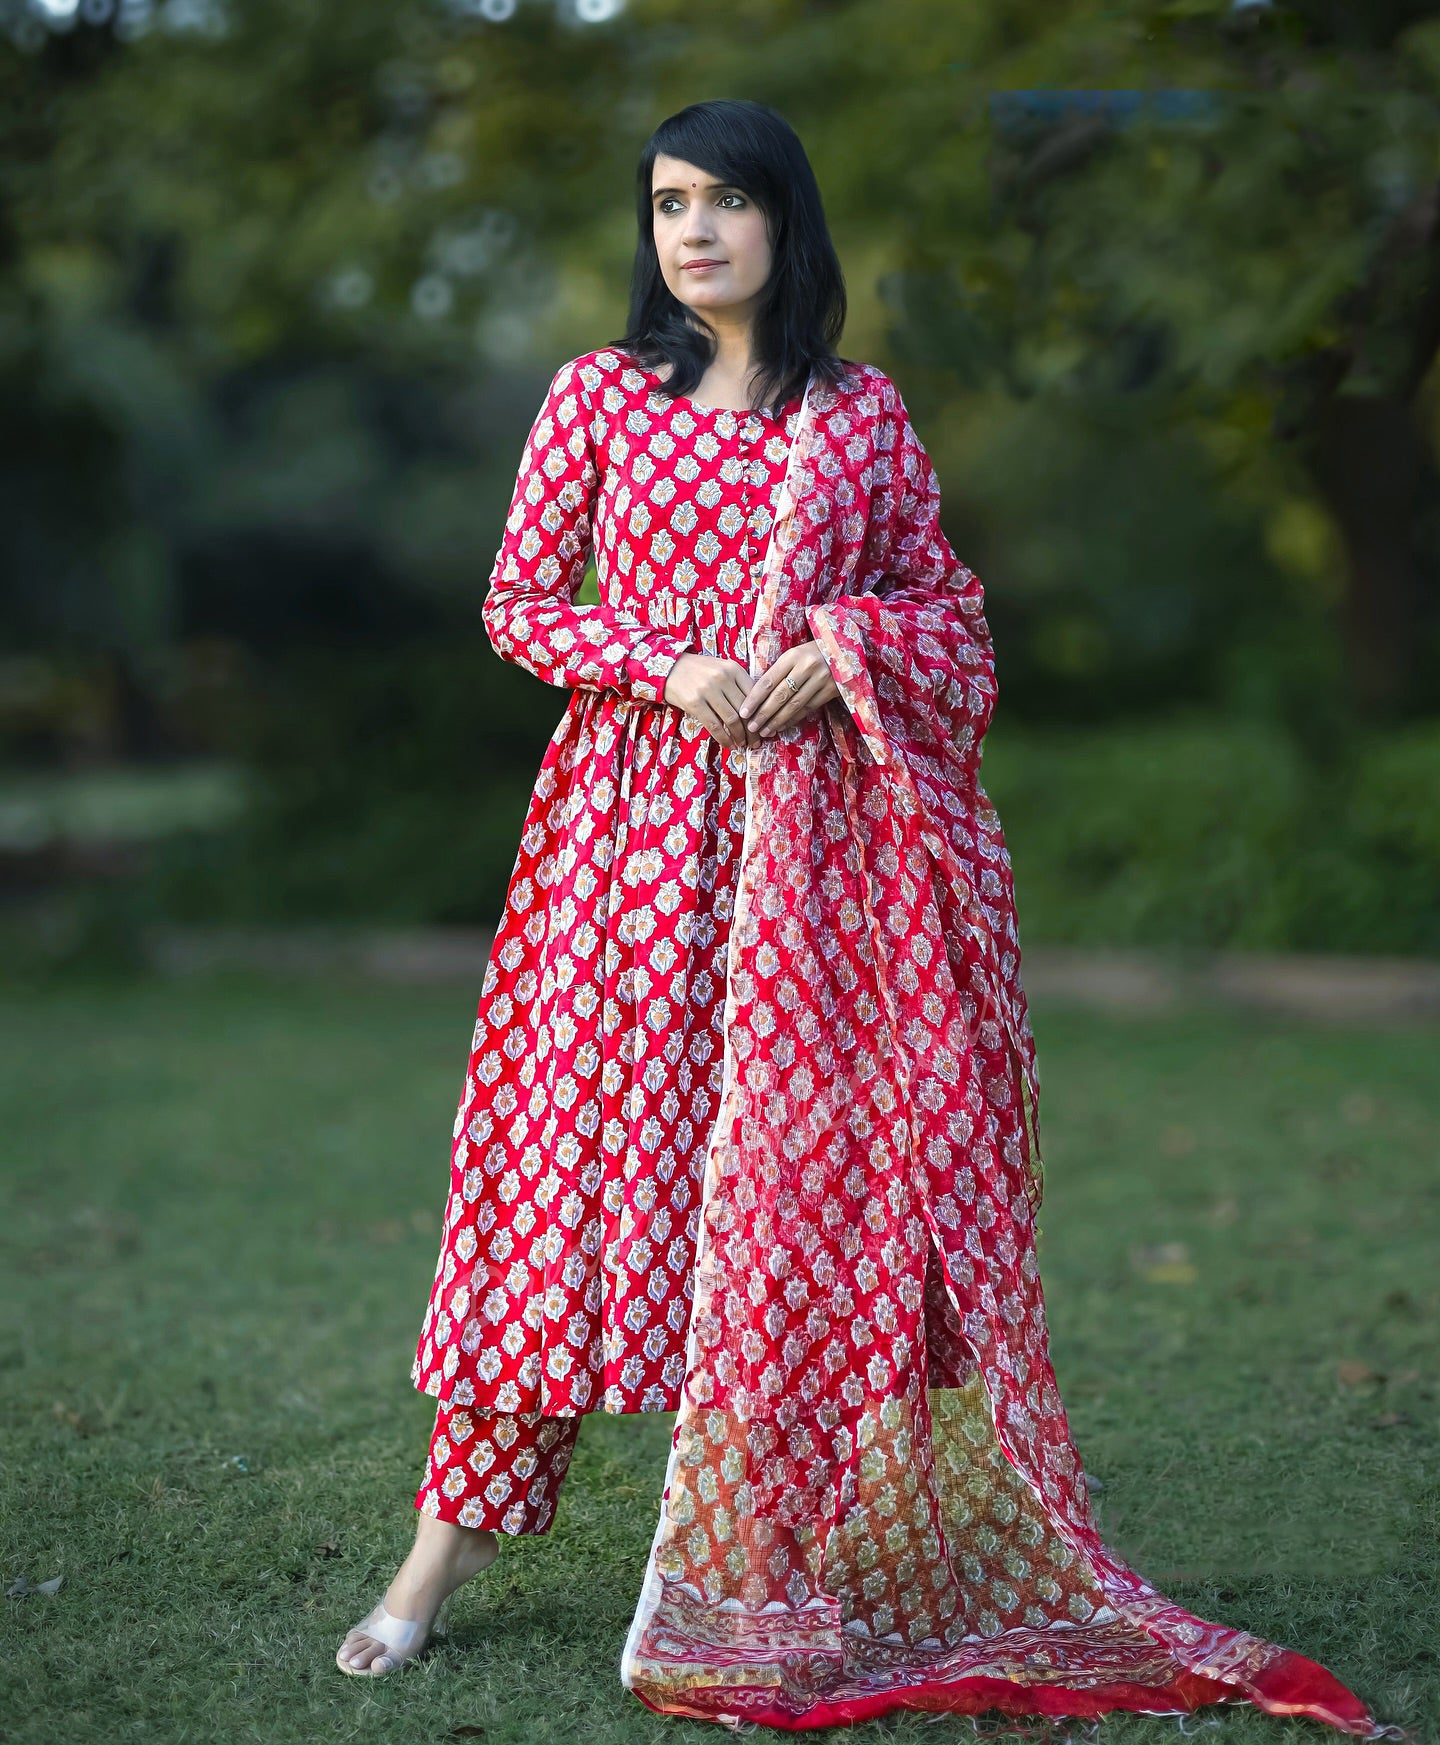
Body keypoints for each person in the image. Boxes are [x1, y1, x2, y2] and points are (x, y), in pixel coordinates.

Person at [335, 99, 1395, 1742]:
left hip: (814, 893)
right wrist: (673, 665)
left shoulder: (866, 417)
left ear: (787, 223)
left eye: (729, 201)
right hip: (616, 865)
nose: (693, 231)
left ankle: (764, 1575)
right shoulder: (600, 399)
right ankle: (427, 1565)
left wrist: (841, 648)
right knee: (550, 1207)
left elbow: (949, 613)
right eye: (670, 202)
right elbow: (518, 602)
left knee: (793, 1216)